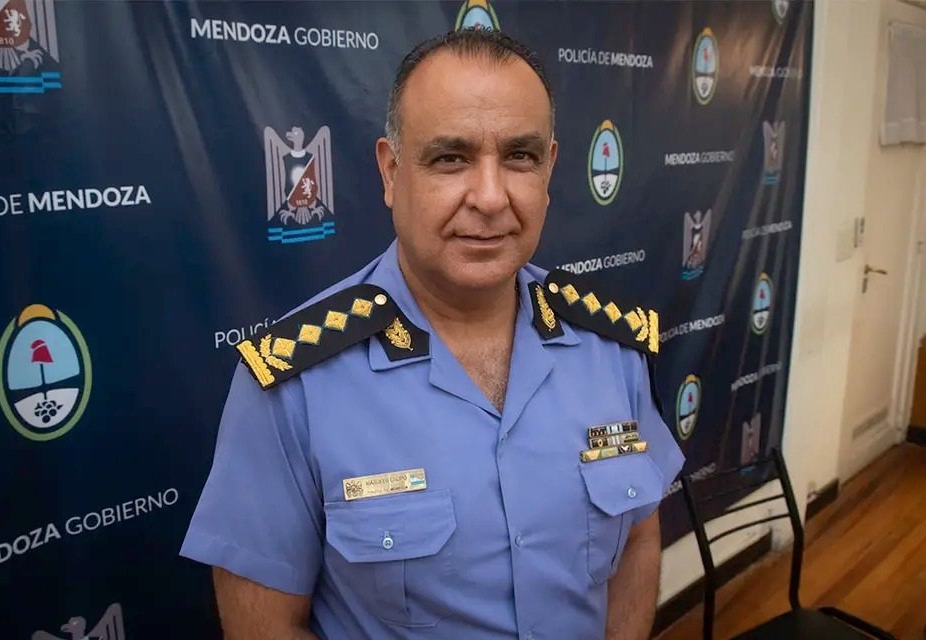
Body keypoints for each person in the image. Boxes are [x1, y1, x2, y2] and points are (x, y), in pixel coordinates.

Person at [181, 29, 684, 640]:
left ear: (549, 169)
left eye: (520, 157)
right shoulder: (294, 383)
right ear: (392, 172)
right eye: (451, 158)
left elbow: (638, 536)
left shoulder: (612, 346)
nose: (491, 198)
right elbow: (263, 627)